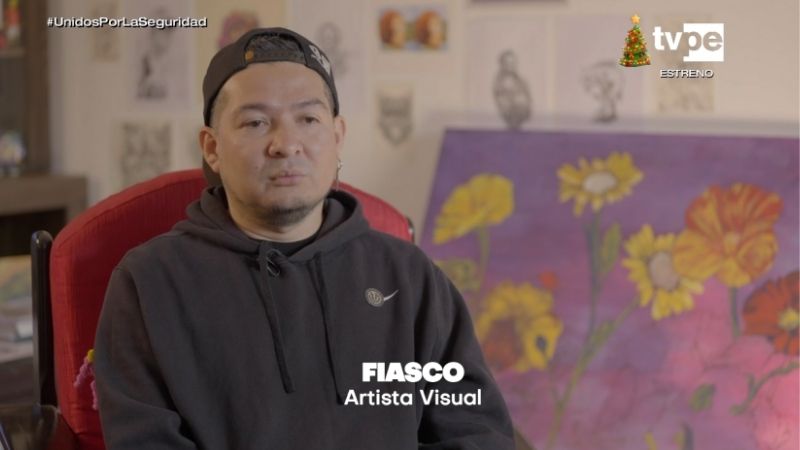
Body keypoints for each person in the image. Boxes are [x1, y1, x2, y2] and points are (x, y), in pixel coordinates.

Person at [94, 27, 515, 449]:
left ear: (337, 137)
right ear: (212, 148)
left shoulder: (409, 277)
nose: (286, 144)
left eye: (308, 120)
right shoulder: (150, 283)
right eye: (256, 122)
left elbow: (478, 433)